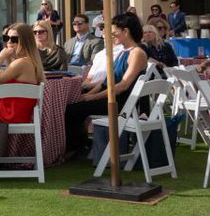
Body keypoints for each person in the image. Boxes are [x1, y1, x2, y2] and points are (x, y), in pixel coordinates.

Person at [63, 13, 149, 160]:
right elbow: (106, 82)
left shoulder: (137, 53)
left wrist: (92, 97)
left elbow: (123, 85)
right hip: (114, 97)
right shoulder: (124, 51)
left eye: (114, 32)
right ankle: (81, 145)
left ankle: (77, 147)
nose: (111, 36)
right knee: (73, 104)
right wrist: (88, 95)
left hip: (120, 103)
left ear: (126, 31)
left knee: (72, 110)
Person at [0, 24, 44, 124]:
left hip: (9, 114)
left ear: (25, 42)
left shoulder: (21, 63)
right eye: (6, 38)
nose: (9, 42)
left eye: (14, 39)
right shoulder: (27, 61)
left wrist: (1, 58)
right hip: (17, 113)